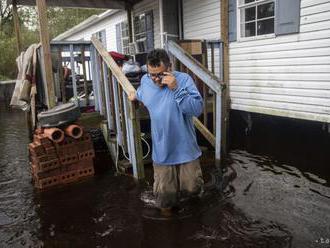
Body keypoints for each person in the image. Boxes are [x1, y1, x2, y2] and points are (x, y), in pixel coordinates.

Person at [128, 49, 204, 216]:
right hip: (162, 149)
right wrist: (135, 96)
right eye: (151, 74)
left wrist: (176, 88)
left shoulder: (184, 80)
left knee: (193, 191)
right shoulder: (146, 81)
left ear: (170, 67)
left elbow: (197, 109)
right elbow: (142, 93)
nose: (155, 79)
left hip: (186, 148)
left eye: (160, 74)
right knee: (165, 199)